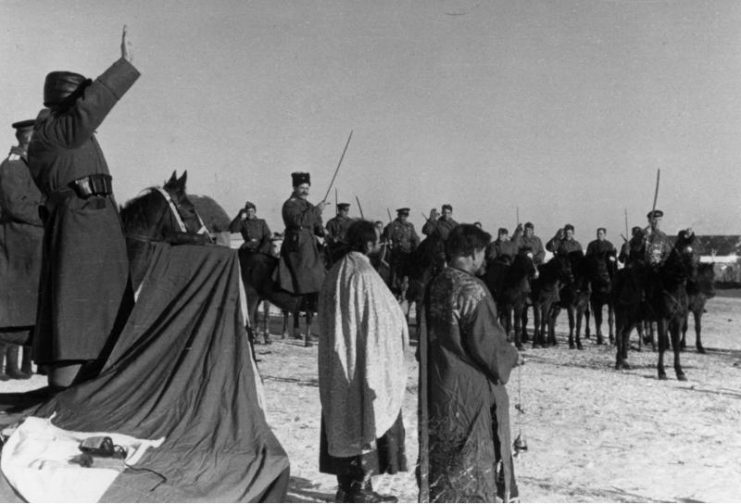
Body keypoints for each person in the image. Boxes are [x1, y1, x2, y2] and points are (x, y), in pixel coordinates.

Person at [28, 27, 139, 389]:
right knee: (79, 310)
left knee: (101, 305)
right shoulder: (55, 130)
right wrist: (123, 65)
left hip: (94, 225)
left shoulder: (68, 133)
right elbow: (91, 107)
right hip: (81, 228)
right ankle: (69, 384)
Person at [421, 224, 520, 502]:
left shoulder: (436, 283)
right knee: (473, 460)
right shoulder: (472, 289)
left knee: (445, 456)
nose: (485, 259)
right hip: (470, 388)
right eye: (483, 253)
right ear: (474, 252)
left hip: (441, 384)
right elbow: (487, 343)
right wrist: (511, 356)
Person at [318, 219, 408, 503]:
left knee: (342, 417)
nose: (380, 245)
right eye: (378, 240)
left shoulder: (336, 271)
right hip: (361, 362)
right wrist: (401, 312)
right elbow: (383, 317)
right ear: (369, 244)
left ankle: (347, 487)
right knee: (365, 417)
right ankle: (360, 490)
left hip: (339, 363)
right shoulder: (363, 273)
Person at [0, 119, 44, 380]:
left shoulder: (31, 165)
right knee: (12, 305)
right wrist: (47, 215)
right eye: (34, 137)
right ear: (24, 139)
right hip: (18, 243)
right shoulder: (13, 166)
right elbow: (16, 206)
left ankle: (22, 363)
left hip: (32, 242)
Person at [273, 172, 327, 294]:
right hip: (298, 246)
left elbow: (316, 224)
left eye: (307, 188)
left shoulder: (309, 206)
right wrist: (317, 210)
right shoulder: (289, 204)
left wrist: (322, 230)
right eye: (302, 188)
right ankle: (304, 299)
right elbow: (298, 221)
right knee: (308, 271)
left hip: (310, 243)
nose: (305, 191)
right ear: (294, 188)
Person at [382, 207, 420, 293]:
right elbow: (386, 236)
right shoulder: (392, 225)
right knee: (395, 272)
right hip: (397, 252)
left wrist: (417, 245)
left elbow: (415, 238)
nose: (404, 218)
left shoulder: (410, 226)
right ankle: (393, 287)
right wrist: (388, 237)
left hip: (408, 253)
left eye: (406, 216)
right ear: (398, 215)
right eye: (402, 215)